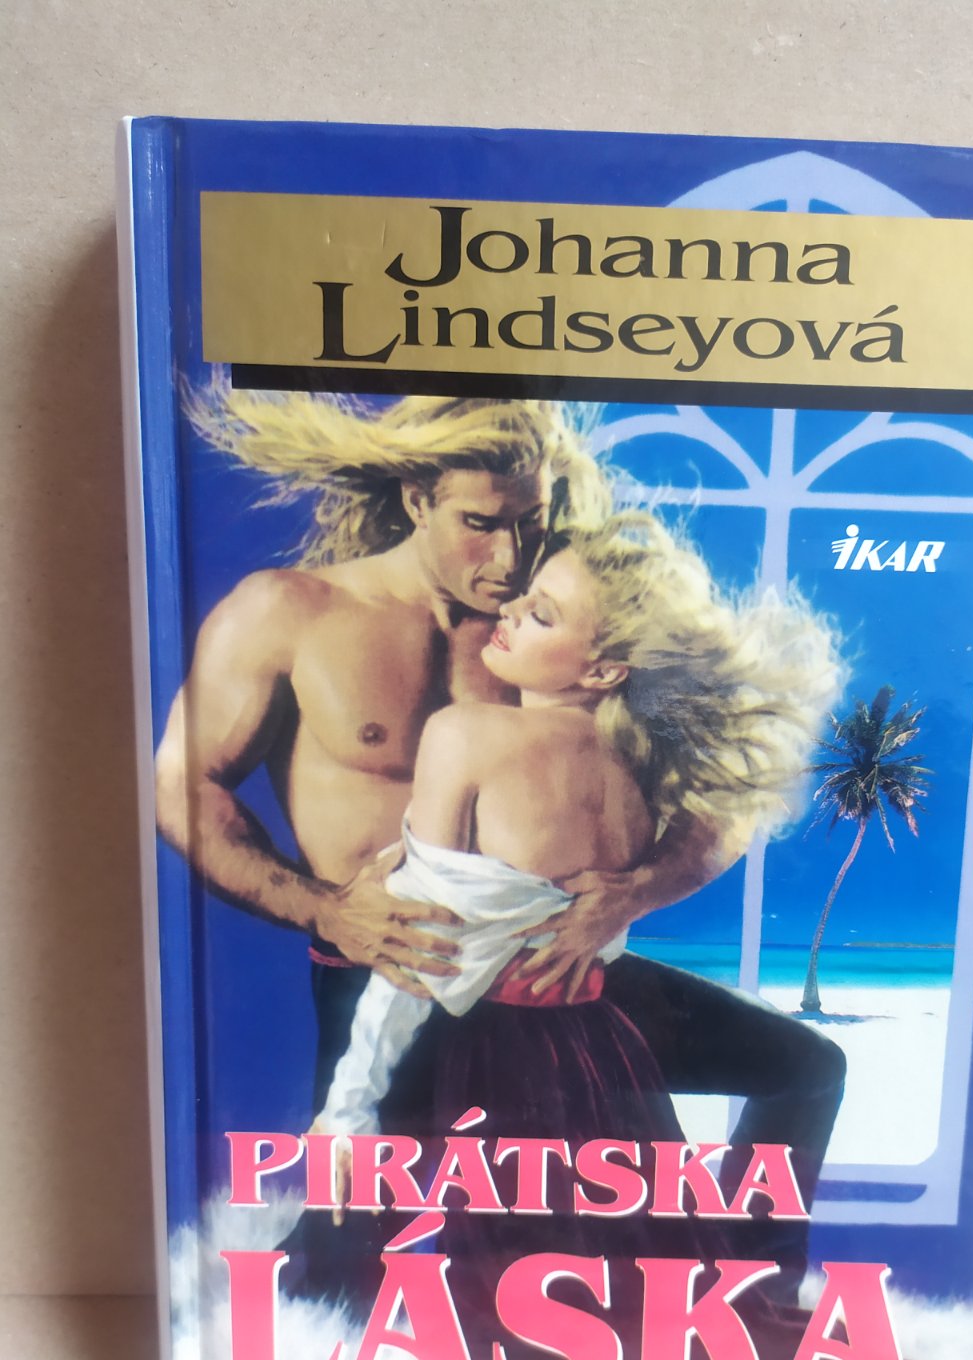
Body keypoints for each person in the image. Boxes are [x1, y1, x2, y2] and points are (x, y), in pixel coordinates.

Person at [284, 514, 973, 1360]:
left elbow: (420, 951)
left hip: (510, 1065)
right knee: (649, 1304)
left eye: (541, 613)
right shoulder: (644, 764)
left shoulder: (465, 734)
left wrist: (346, 1107)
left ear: (605, 668)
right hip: (607, 1051)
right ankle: (750, 1354)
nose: (508, 614)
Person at [156, 387, 848, 1278]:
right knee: (347, 1271)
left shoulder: (565, 616)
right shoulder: (289, 612)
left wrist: (634, 893)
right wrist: (326, 910)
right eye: (481, 524)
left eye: (532, 521)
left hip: (561, 978)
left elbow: (727, 786)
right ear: (418, 500)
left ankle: (745, 1292)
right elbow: (182, 784)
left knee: (802, 1067)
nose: (511, 558)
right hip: (397, 972)